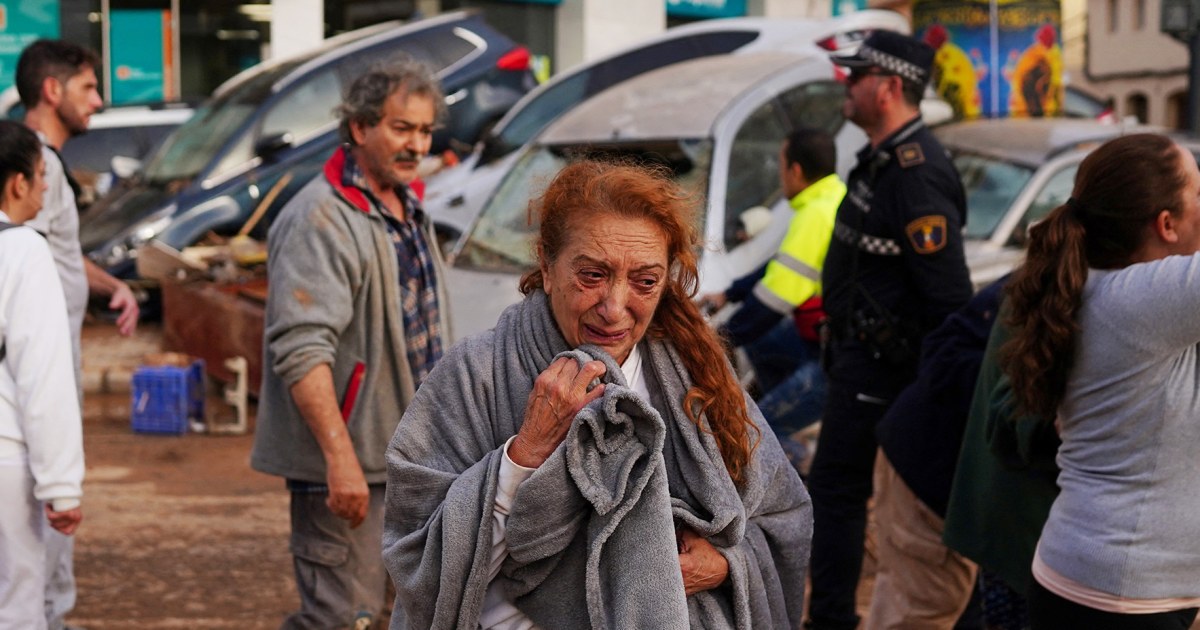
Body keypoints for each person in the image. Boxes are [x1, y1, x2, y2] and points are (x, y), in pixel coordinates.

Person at [383, 159, 813, 629]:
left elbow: (783, 514)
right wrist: (525, 454)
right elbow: (419, 568)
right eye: (592, 275)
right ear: (547, 266)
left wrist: (727, 562)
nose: (614, 308)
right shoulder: (474, 375)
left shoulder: (697, 375)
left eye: (645, 282)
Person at [250, 60, 451, 628]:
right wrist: (340, 460)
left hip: (409, 463)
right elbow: (300, 348)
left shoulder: (408, 210)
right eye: (401, 128)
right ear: (359, 128)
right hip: (349, 468)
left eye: (425, 131)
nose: (416, 145)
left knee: (397, 616)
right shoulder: (320, 219)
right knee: (342, 619)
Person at [806, 30, 973, 630]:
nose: (846, 86)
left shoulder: (915, 175)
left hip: (885, 369)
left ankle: (830, 620)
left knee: (837, 489)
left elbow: (949, 300)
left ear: (890, 87)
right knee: (845, 490)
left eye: (857, 77)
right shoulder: (877, 160)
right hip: (858, 362)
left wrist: (929, 388)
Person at [1001, 133, 1200, 629]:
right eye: (1199, 194)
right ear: (1167, 224)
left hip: (1096, 581)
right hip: (1120, 600)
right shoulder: (1141, 301)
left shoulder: (1102, 289)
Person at [16, 38, 140, 630]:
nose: (99, 100)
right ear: (52, 89)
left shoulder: (38, 166)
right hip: (33, 370)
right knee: (42, 527)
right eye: (88, 87)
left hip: (42, 359)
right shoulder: (33, 167)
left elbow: (58, 253)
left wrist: (107, 284)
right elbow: (25, 253)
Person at [866, 278, 1009, 629]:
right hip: (932, 479)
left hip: (941, 474)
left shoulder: (1049, 278)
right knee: (922, 609)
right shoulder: (1062, 287)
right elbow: (945, 344)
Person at [699, 128, 845, 470]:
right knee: (763, 344)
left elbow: (773, 301)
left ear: (795, 171)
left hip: (834, 356)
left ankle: (799, 461)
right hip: (820, 339)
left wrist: (714, 340)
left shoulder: (815, 216)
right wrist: (729, 293)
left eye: (781, 165)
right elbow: (781, 266)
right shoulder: (833, 197)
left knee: (761, 431)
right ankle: (794, 413)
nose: (781, 175)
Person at [0, 120, 83, 630]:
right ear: (17, 184)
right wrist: (62, 485)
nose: (46, 186)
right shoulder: (24, 251)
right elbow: (43, 377)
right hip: (5, 454)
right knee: (16, 602)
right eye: (39, 174)